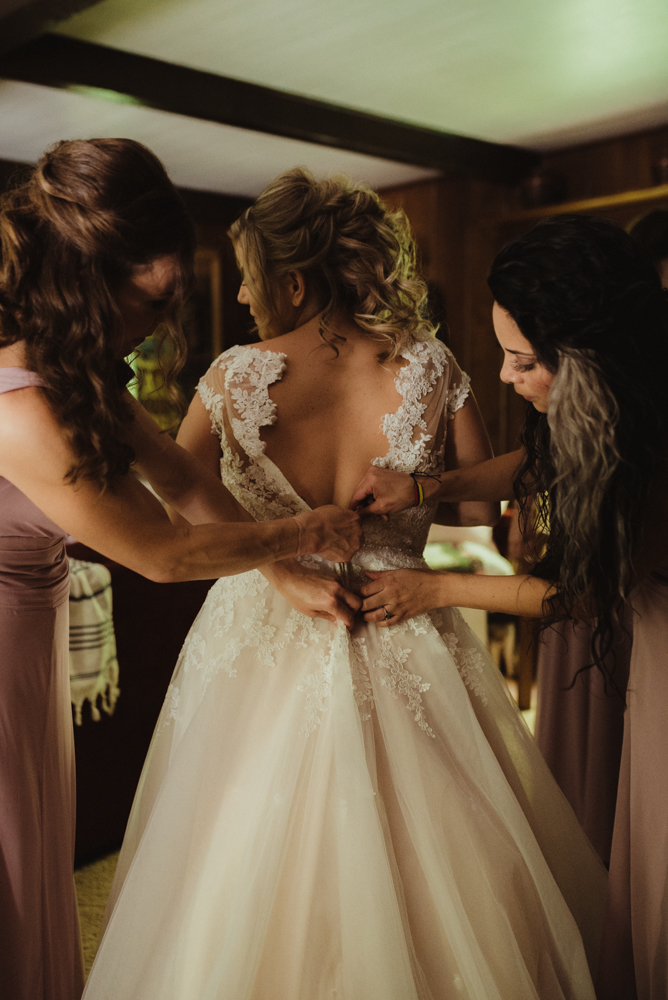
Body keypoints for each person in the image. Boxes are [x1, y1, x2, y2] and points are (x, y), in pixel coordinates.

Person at [83, 171, 606, 1000]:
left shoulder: (230, 379)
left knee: (239, 858)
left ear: (293, 280)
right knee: (440, 862)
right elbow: (478, 504)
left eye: (251, 277)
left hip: (261, 633)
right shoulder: (429, 367)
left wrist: (275, 558)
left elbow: (187, 519)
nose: (247, 299)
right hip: (409, 628)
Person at [0, 140, 361, 1000]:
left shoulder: (75, 372)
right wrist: (308, 531)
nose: (161, 323)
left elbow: (184, 480)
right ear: (89, 277)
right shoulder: (22, 406)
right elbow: (163, 553)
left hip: (26, 652)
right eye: (151, 299)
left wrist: (285, 575)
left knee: (33, 848)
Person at [351, 213, 668, 999]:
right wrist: (430, 486)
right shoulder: (613, 406)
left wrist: (433, 588)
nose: (502, 377)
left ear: (588, 360)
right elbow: (540, 459)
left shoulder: (653, 444)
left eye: (522, 361)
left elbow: (583, 593)